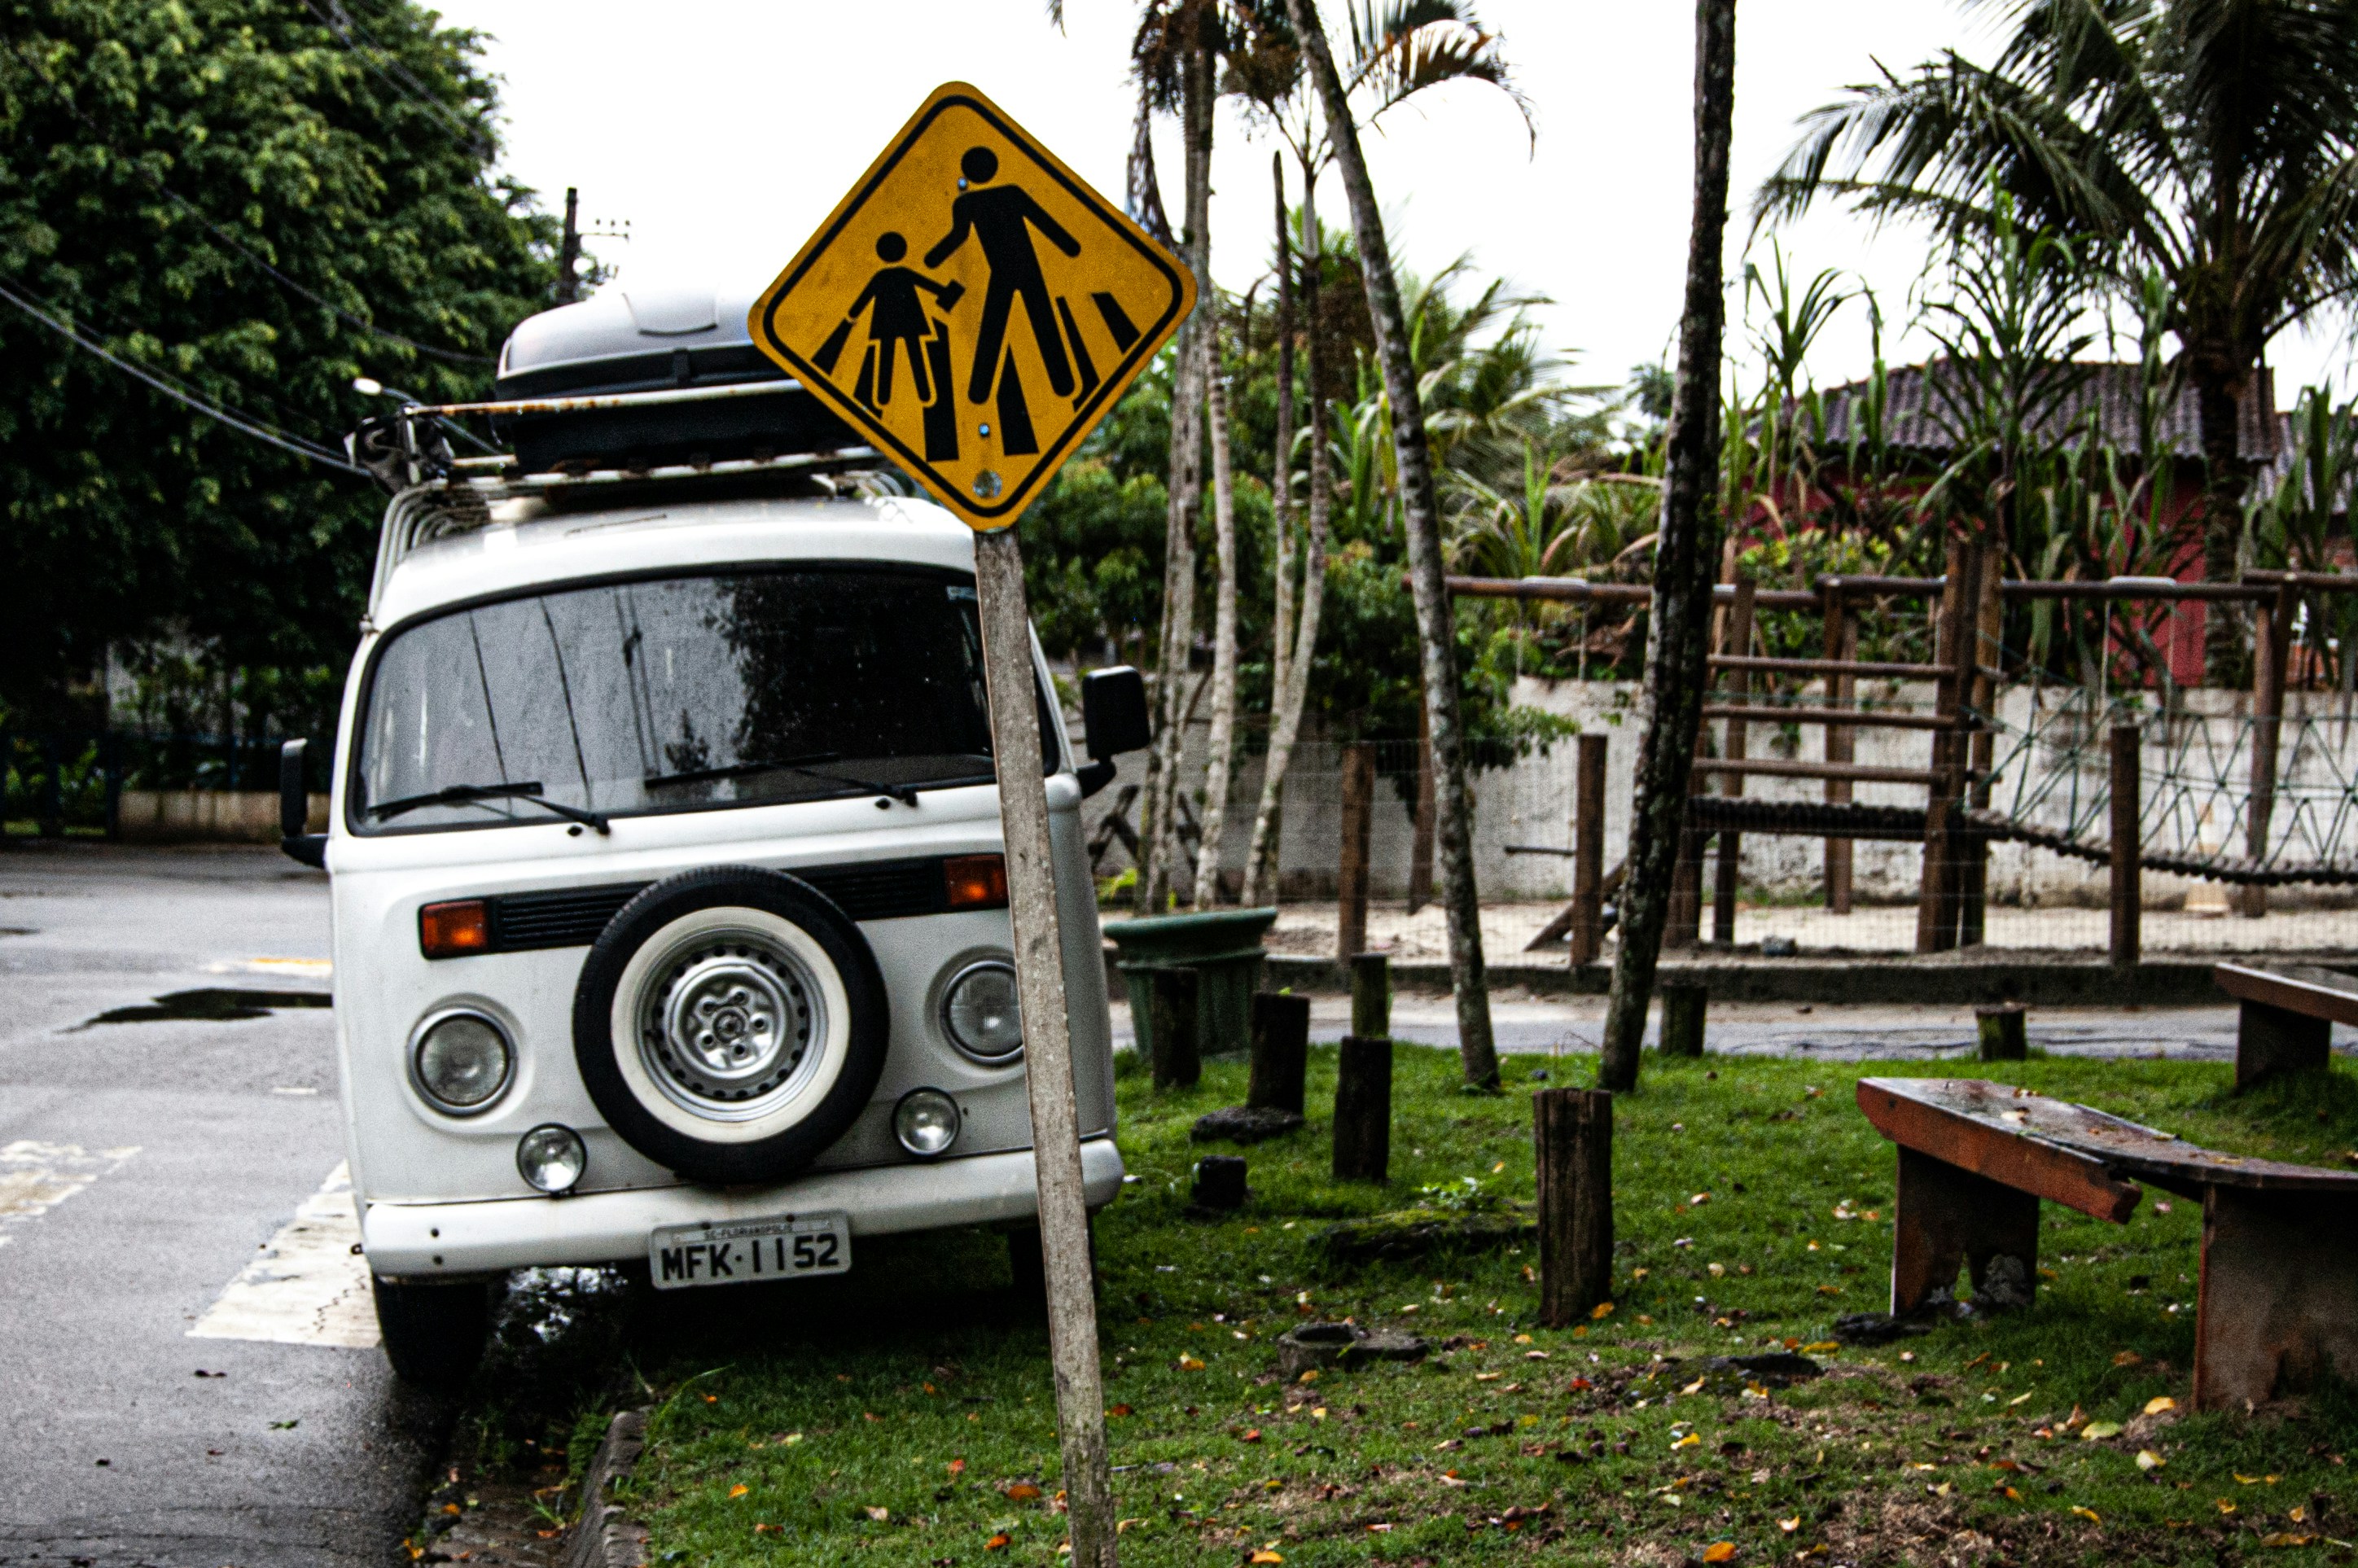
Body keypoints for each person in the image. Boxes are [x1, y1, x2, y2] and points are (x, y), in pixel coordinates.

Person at [925, 147, 1080, 404]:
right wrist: (1069, 245)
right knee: (1036, 322)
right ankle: (1061, 383)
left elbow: (958, 237)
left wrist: (932, 259)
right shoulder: (1008, 194)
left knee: (997, 326)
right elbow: (1043, 222)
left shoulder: (968, 202)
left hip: (1006, 272)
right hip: (1023, 269)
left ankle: (980, 391)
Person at [838, 231, 963, 408]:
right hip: (909, 319)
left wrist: (853, 314)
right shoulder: (902, 273)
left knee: (888, 355)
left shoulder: (881, 277)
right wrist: (943, 291)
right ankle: (923, 393)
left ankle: (884, 397)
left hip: (886, 321)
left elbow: (865, 297)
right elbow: (926, 284)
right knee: (914, 353)